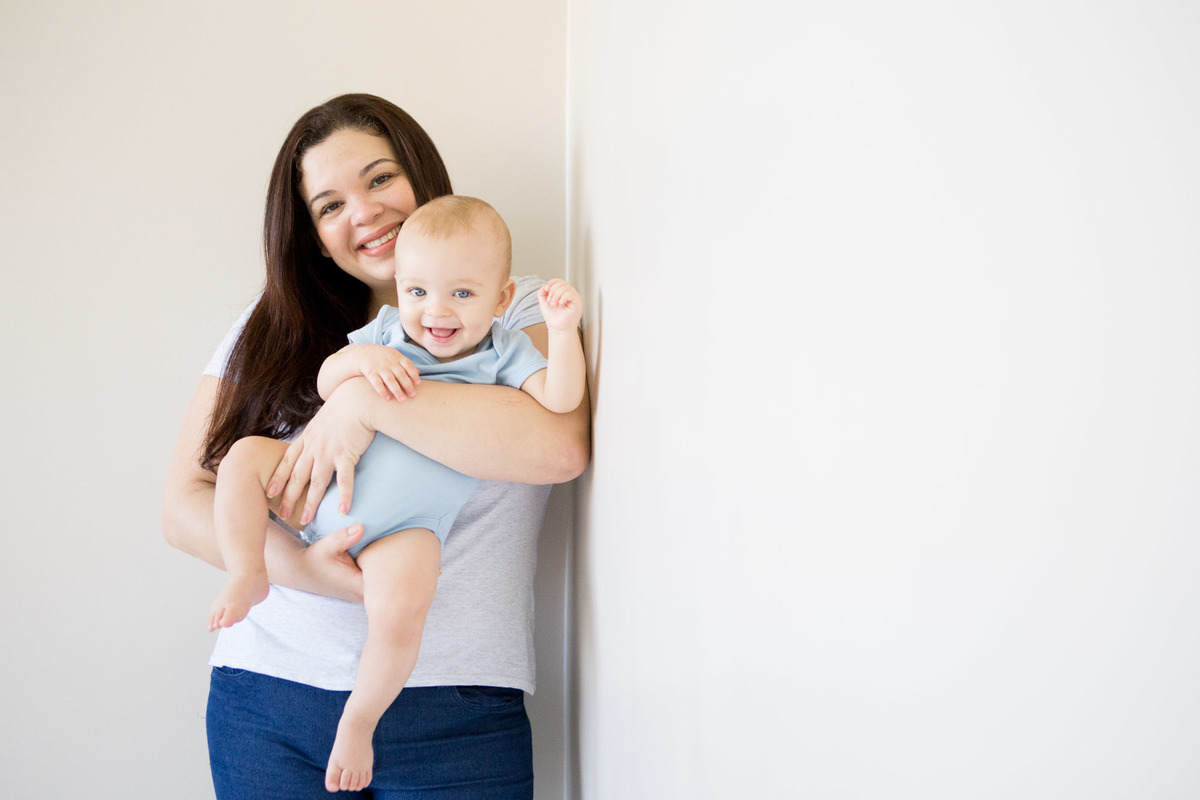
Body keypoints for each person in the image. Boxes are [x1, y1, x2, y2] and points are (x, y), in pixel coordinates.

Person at [162, 94, 589, 800]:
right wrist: (304, 568)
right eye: (329, 206)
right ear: (314, 235)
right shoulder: (270, 326)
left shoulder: (517, 309)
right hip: (268, 697)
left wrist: (366, 406)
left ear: (421, 174)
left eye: (380, 178)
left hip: (455, 703)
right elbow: (184, 504)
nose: (362, 212)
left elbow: (556, 448)